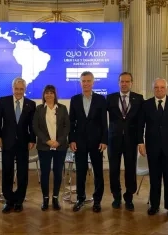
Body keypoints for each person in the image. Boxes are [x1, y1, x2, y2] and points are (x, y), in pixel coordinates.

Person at [137, 78, 168, 220]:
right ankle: (154, 206)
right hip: (152, 148)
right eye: (156, 88)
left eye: (162, 87)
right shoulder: (146, 104)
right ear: (153, 89)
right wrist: (140, 143)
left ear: (166, 88)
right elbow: (140, 126)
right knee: (154, 179)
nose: (159, 90)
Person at [0, 77, 36, 213]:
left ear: (25, 89)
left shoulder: (31, 104)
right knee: (7, 171)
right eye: (16, 89)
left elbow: (32, 125)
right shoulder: (3, 101)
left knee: (23, 172)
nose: (19, 91)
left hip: (23, 143)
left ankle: (19, 200)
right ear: (12, 89)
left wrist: (32, 140)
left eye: (21, 89)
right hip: (7, 142)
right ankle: (9, 200)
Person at [69, 71, 108, 213]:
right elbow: (71, 122)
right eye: (83, 81)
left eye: (88, 81)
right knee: (80, 172)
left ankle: (97, 201)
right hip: (79, 142)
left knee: (98, 172)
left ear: (93, 82)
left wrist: (104, 140)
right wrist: (71, 140)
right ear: (80, 83)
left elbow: (104, 122)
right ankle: (80, 199)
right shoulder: (74, 100)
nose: (86, 83)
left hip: (97, 142)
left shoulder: (101, 99)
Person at [106, 72, 144, 211]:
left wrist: (140, 141)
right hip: (113, 140)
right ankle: (116, 197)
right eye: (122, 81)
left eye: (127, 81)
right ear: (118, 83)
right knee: (113, 170)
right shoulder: (110, 98)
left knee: (130, 169)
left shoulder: (139, 99)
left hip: (131, 141)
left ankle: (129, 197)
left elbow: (141, 123)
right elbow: (102, 120)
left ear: (131, 83)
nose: (124, 84)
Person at [33, 85, 70, 211]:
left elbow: (67, 127)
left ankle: (55, 198)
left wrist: (58, 141)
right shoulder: (38, 109)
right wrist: (47, 141)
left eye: (51, 92)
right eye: (46, 93)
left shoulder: (62, 108)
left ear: (55, 94)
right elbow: (36, 128)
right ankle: (45, 199)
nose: (49, 95)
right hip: (44, 146)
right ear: (44, 95)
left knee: (58, 172)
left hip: (60, 147)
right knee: (45, 173)